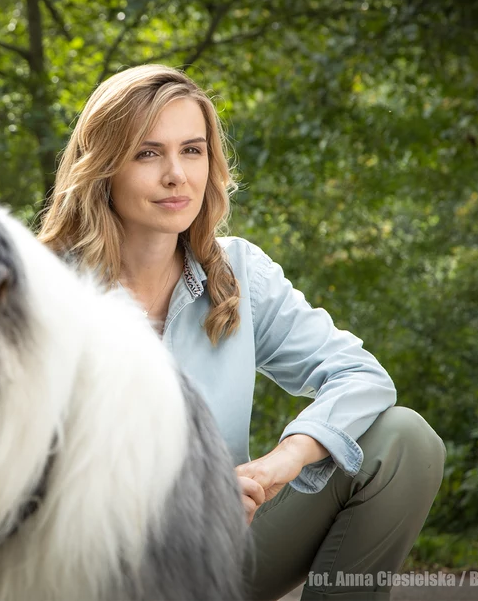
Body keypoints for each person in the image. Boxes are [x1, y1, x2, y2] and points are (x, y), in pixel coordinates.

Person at [37, 64, 445, 601]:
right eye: (147, 153)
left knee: (403, 441)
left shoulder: (237, 272)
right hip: (89, 573)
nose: (176, 175)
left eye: (192, 150)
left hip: (221, 559)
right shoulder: (44, 295)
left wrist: (281, 464)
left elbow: (360, 375)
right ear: (103, 167)